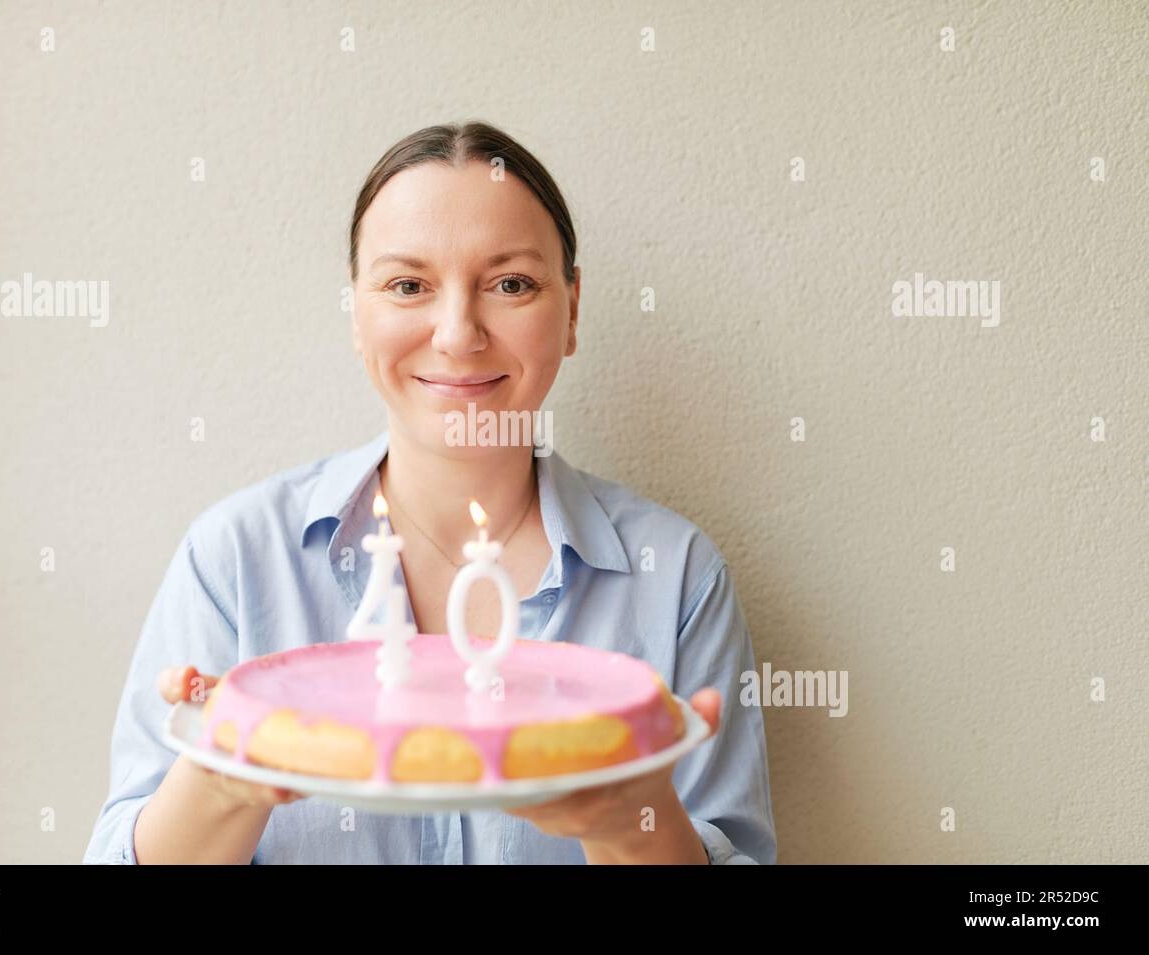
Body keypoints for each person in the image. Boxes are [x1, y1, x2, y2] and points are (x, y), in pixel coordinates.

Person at [83, 121, 776, 864]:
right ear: (356, 309)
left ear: (571, 310)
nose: (457, 333)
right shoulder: (235, 557)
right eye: (407, 285)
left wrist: (631, 822)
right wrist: (223, 780)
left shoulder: (676, 575)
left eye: (511, 283)